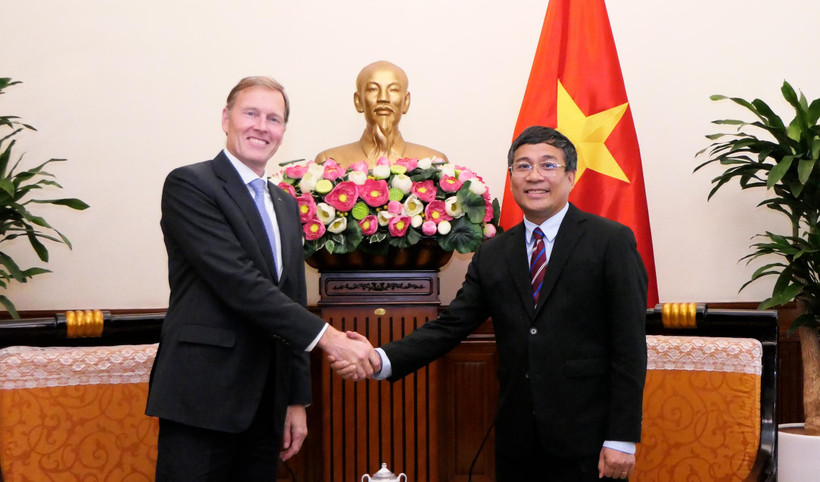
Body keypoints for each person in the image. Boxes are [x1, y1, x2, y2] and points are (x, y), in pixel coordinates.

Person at [334, 126, 648, 481]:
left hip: (589, 438)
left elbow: (629, 346)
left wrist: (622, 438)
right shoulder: (494, 252)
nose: (534, 177)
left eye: (548, 166)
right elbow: (452, 325)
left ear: (571, 176)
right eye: (522, 166)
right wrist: (381, 359)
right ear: (511, 176)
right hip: (517, 440)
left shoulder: (610, 241)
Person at [146, 76, 376, 482]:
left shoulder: (285, 204)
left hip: (265, 403)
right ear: (226, 118)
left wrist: (295, 400)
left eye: (274, 118)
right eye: (250, 113)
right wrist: (331, 338)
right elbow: (239, 282)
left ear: (282, 132)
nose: (261, 126)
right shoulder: (190, 185)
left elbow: (291, 294)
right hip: (202, 395)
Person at [314, 60, 447, 168]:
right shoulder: (330, 162)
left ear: (406, 101)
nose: (383, 98)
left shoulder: (434, 163)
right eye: (373, 89)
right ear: (358, 101)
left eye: (393, 89)